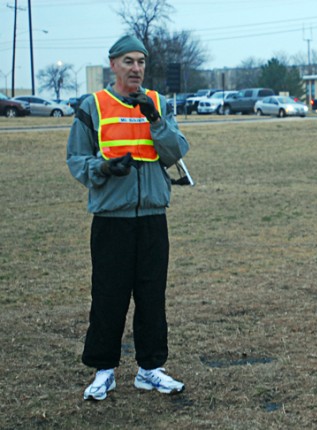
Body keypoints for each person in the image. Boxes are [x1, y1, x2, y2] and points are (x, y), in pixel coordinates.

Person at [67, 35, 189, 400]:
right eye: (128, 62)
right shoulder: (94, 106)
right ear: (113, 64)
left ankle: (150, 369)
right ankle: (104, 370)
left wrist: (155, 120)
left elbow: (175, 152)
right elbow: (77, 160)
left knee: (152, 295)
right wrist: (104, 168)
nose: (136, 68)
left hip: (152, 216)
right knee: (109, 295)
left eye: (141, 62)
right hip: (112, 219)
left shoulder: (158, 103)